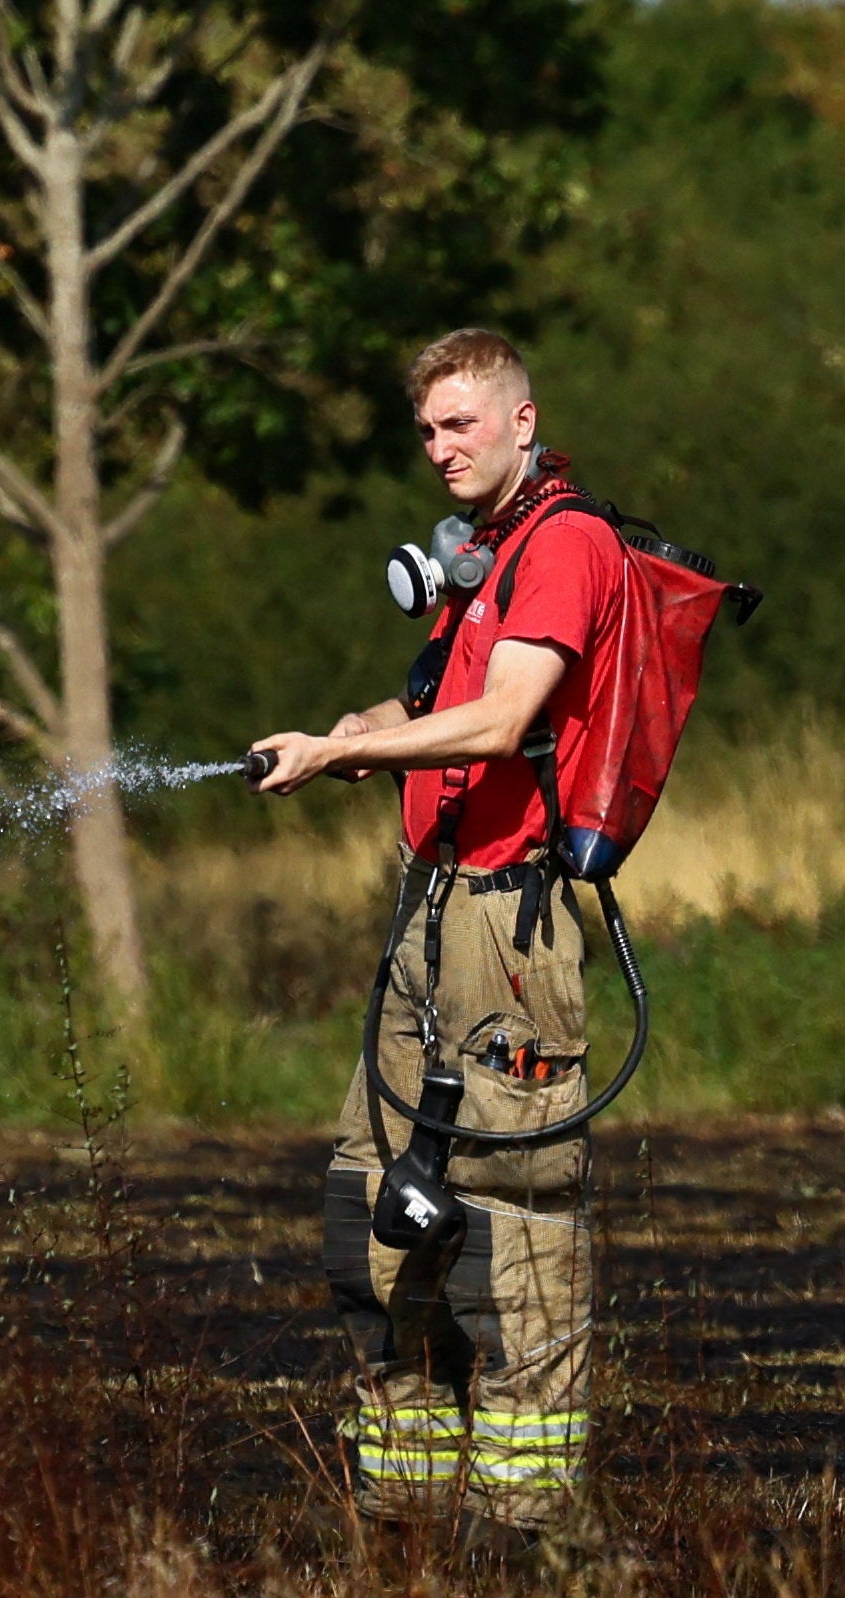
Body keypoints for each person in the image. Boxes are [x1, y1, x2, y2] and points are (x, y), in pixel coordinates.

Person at [247, 327, 624, 1536]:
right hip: (428, 913)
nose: (438, 447)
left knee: (511, 1232)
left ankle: (528, 1532)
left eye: (460, 423)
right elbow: (430, 707)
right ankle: (405, 1510)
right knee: (374, 1206)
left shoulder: (564, 547)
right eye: (426, 429)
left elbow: (502, 719)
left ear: (523, 419)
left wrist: (349, 750)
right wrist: (334, 732)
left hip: (508, 932)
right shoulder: (483, 560)